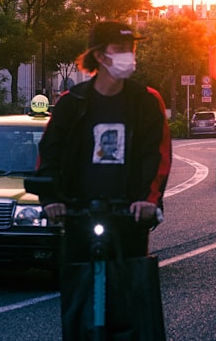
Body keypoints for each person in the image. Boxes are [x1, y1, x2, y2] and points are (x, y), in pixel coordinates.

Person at [36, 20, 172, 260]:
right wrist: (51, 200)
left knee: (131, 291)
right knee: (80, 291)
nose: (128, 55)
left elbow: (158, 155)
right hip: (78, 213)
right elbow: (50, 152)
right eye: (119, 48)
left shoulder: (147, 101)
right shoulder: (71, 102)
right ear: (99, 56)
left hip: (130, 213)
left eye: (131, 48)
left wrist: (148, 201)